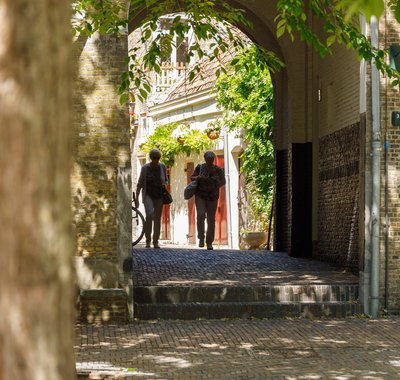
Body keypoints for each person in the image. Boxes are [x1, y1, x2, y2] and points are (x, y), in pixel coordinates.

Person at [190, 151, 226, 250]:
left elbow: (223, 181)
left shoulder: (218, 170)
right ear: (205, 159)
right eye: (208, 159)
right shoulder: (200, 167)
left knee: (211, 219)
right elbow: (191, 178)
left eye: (211, 159)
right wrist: (198, 177)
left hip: (212, 196)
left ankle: (209, 242)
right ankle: (201, 237)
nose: (209, 161)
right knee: (201, 215)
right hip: (200, 195)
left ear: (213, 159)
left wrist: (215, 183)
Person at [136, 149, 168, 248]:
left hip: (159, 195)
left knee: (157, 218)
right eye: (154, 158)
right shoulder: (145, 168)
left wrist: (163, 184)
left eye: (158, 158)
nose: (156, 160)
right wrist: (136, 198)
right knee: (149, 215)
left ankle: (155, 241)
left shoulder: (162, 167)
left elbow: (166, 180)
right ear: (151, 158)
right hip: (148, 194)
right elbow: (140, 184)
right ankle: (148, 240)